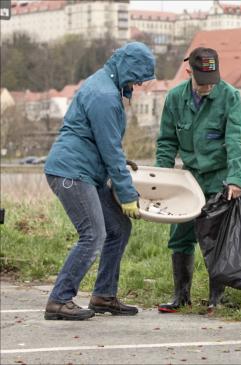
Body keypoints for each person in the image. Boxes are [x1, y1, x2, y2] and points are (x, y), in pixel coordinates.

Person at [43, 42, 155, 320]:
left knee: (118, 228)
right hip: (71, 172)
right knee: (93, 234)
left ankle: (103, 296)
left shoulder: (107, 84)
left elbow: (105, 145)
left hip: (85, 171)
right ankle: (59, 299)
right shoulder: (104, 94)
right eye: (139, 76)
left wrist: (119, 166)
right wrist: (127, 194)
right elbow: (109, 148)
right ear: (128, 67)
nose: (140, 83)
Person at [154, 47, 241, 314]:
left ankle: (215, 299)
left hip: (219, 178)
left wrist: (236, 179)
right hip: (187, 178)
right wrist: (162, 178)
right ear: (189, 73)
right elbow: (166, 142)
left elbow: (237, 140)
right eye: (202, 81)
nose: (208, 86)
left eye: (212, 80)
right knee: (180, 236)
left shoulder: (229, 96)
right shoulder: (174, 99)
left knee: (215, 238)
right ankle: (180, 296)